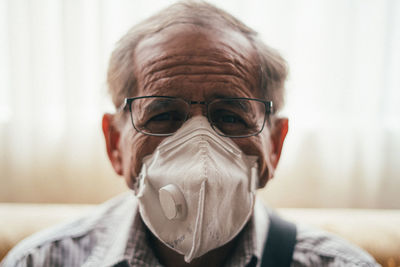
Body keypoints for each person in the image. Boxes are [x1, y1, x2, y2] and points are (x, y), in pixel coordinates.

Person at [1, 1, 380, 267]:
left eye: (231, 117)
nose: (199, 147)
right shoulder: (40, 261)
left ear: (275, 145)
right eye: (163, 115)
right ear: (115, 143)